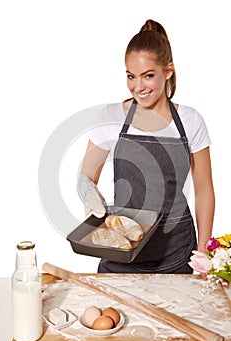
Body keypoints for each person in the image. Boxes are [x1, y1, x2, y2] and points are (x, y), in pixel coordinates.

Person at [77, 19, 215, 274]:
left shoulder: (190, 120)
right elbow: (87, 176)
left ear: (168, 71)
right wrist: (88, 192)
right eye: (131, 76)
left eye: (148, 76)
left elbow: (204, 189)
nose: (138, 87)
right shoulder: (111, 116)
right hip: (121, 250)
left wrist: (204, 252)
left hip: (177, 251)